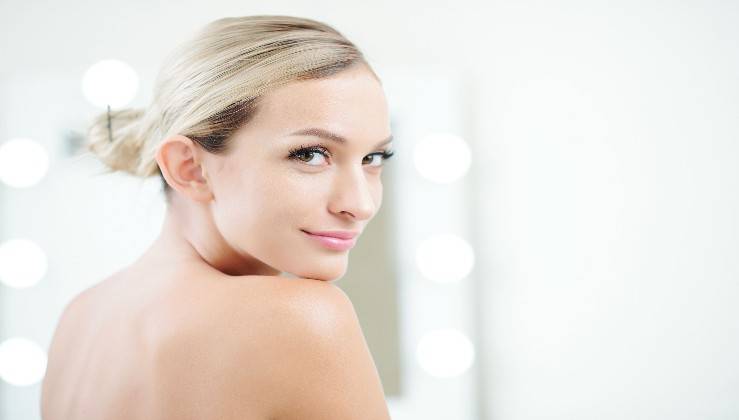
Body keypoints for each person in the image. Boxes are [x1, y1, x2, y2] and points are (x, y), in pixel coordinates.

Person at [40, 15, 394, 420]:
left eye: (373, 158)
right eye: (311, 154)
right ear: (189, 168)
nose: (361, 204)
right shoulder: (302, 318)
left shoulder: (79, 320)